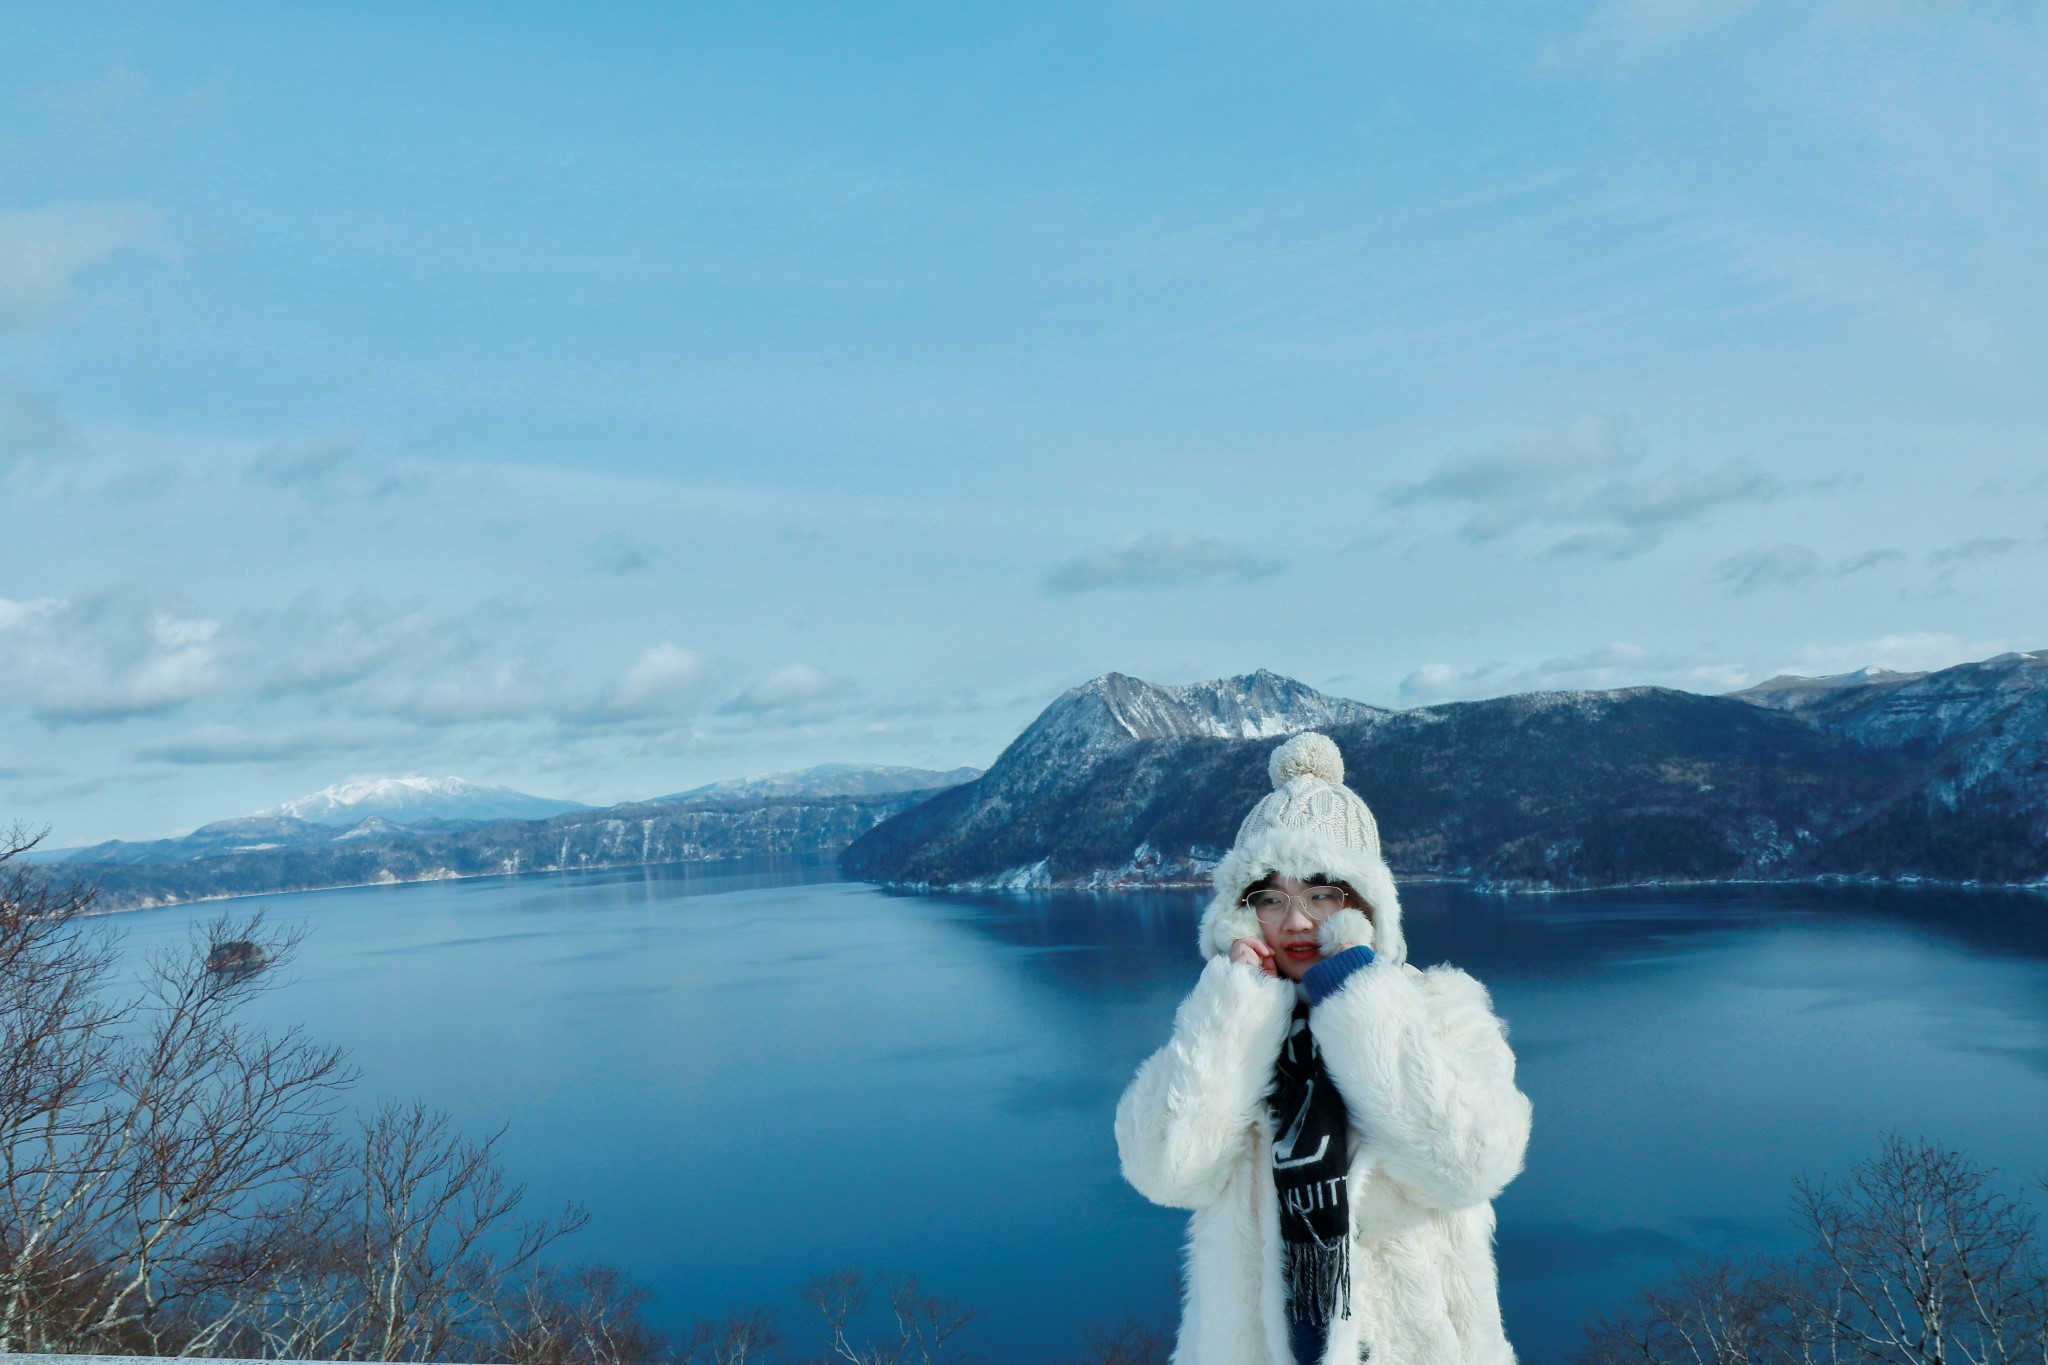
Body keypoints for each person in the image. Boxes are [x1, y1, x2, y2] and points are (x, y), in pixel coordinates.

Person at [1115, 731, 1531, 1365]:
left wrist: (1359, 1001)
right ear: (1240, 913)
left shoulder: (1441, 1011)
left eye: (1323, 893)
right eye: (1270, 897)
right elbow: (1167, 1171)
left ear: (1367, 903)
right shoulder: (1226, 1023)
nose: (1298, 920)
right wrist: (1236, 1008)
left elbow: (1467, 1168)